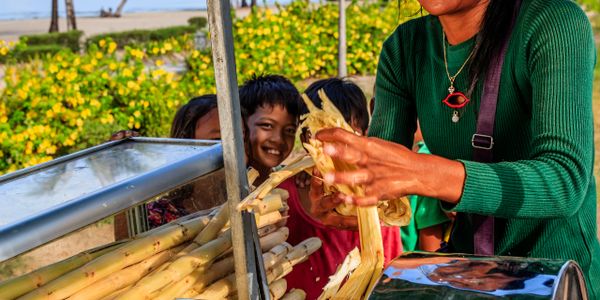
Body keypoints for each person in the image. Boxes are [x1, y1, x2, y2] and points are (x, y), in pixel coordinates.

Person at [311, 0, 600, 297]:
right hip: (468, 280)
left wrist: (427, 174)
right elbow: (380, 178)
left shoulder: (553, 22)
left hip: (558, 278)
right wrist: (351, 198)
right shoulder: (404, 47)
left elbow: (565, 180)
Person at [283, 78, 402, 300]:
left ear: (364, 137)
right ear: (305, 140)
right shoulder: (283, 197)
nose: (335, 150)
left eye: (348, 136)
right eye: (322, 137)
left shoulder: (378, 203)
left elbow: (390, 270)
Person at [238, 74, 303, 185]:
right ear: (241, 125)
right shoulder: (223, 185)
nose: (279, 139)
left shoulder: (290, 182)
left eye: (290, 130)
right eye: (267, 125)